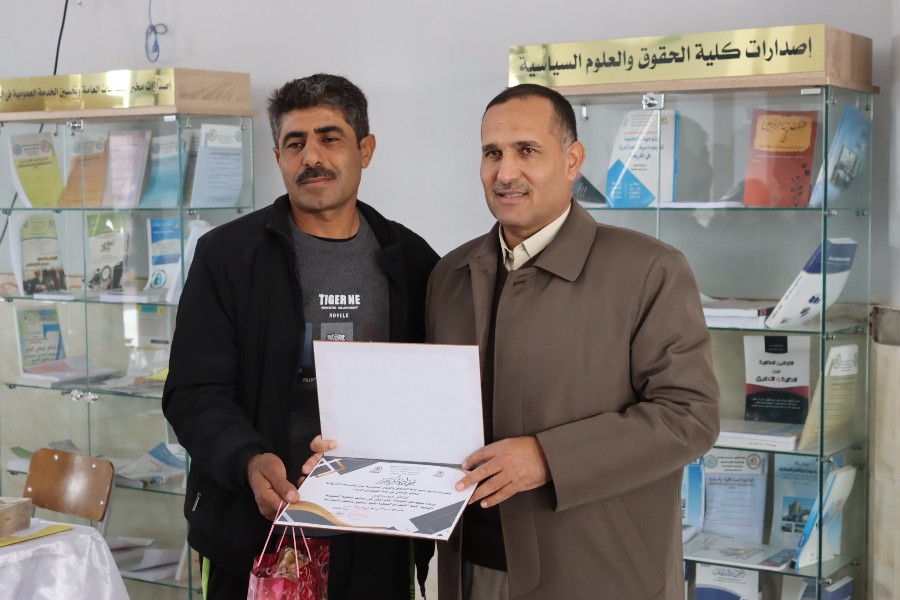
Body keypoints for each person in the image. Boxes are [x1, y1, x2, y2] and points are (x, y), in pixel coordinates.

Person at [425, 84, 720, 599]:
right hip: (471, 568)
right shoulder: (449, 274)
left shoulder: (649, 270)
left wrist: (547, 457)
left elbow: (689, 416)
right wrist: (350, 461)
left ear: (572, 160)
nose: (505, 172)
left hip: (599, 576)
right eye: (492, 153)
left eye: (527, 150)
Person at [163, 73, 439, 600]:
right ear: (278, 157)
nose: (311, 156)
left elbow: (431, 394)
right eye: (295, 143)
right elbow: (193, 392)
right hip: (259, 537)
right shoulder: (227, 257)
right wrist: (247, 459)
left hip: (376, 540)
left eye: (330, 138)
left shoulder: (413, 261)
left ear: (365, 150)